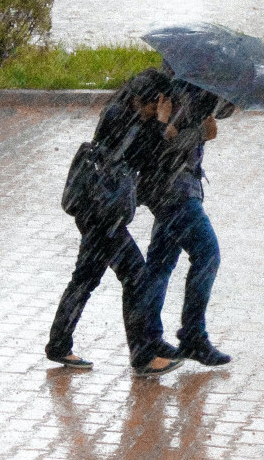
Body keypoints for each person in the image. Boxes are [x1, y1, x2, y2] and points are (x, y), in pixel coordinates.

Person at [45, 69, 183, 376]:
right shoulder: (125, 118)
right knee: (136, 276)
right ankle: (143, 356)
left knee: (85, 277)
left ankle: (58, 344)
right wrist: (161, 126)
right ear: (150, 101)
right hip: (102, 215)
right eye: (159, 104)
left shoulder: (122, 112)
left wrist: (159, 127)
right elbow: (147, 159)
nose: (160, 110)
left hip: (94, 210)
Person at [137, 81, 236, 367]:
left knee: (160, 263)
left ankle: (149, 337)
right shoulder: (180, 90)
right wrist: (200, 133)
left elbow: (220, 111)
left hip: (170, 189)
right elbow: (164, 146)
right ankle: (192, 335)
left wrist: (228, 98)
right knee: (207, 255)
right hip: (175, 192)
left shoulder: (196, 85)